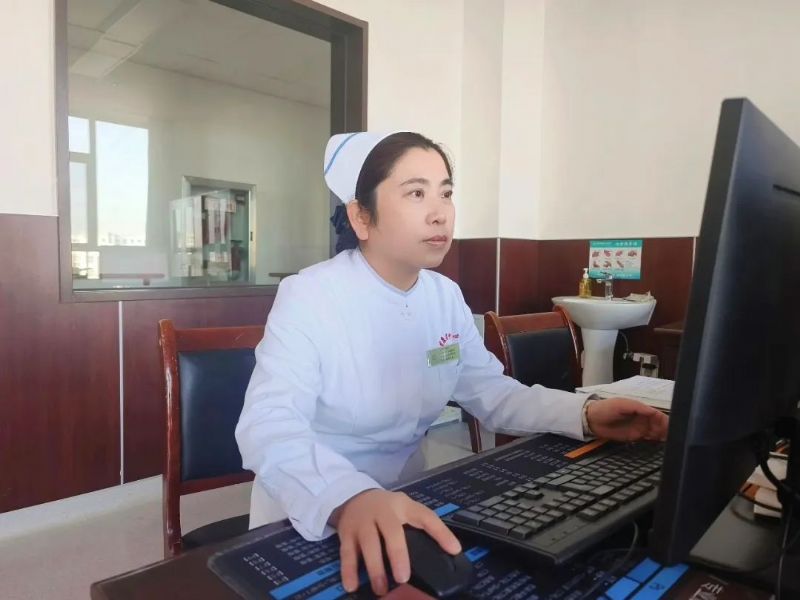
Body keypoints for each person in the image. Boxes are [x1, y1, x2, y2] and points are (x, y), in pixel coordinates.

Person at [235, 131, 668, 596]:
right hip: (313, 510)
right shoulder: (311, 295)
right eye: (416, 193)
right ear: (361, 217)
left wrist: (584, 413)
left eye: (445, 193)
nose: (440, 212)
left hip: (408, 501)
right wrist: (346, 496)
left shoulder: (444, 296)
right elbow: (268, 424)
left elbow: (493, 393)